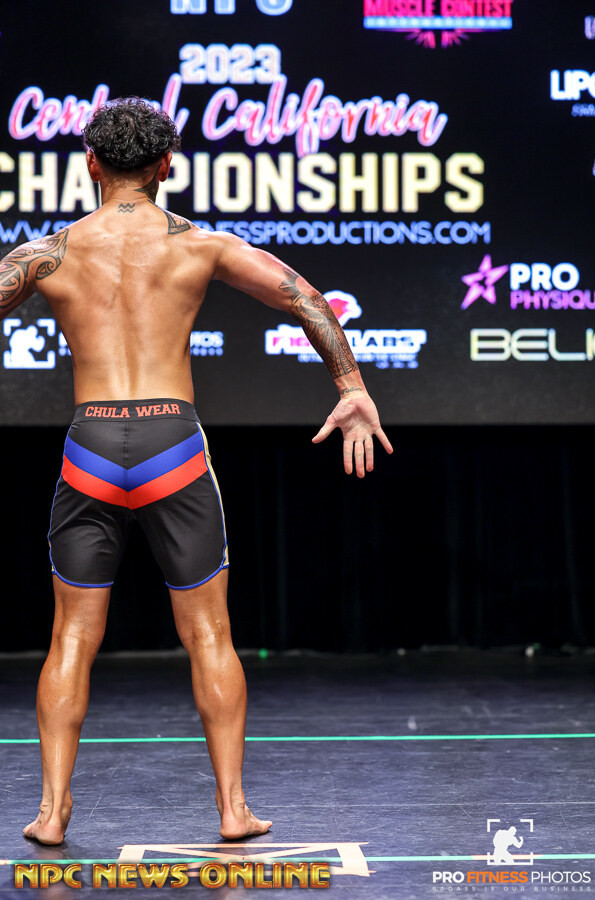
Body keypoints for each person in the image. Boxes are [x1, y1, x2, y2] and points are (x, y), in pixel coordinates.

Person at [0, 98, 393, 846]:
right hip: (171, 445)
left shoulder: (48, 253)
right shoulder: (201, 245)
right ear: (167, 166)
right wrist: (351, 387)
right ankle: (233, 809)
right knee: (209, 632)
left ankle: (50, 813)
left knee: (71, 636)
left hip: (91, 444)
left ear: (91, 163)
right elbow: (306, 299)